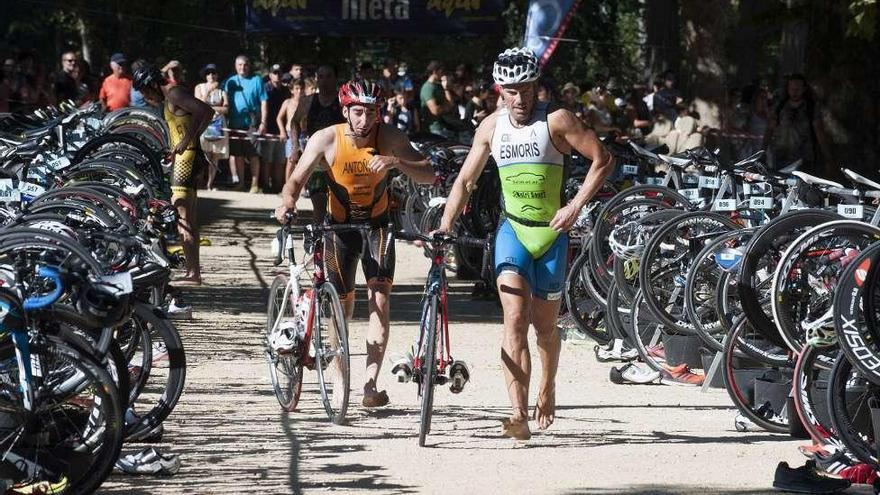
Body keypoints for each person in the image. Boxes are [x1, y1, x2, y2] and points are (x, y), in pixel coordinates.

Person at [437, 47, 614, 440]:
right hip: (513, 231)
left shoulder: (557, 121)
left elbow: (603, 159)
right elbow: (466, 181)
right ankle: (517, 413)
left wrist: (573, 207)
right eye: (511, 91)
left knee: (545, 328)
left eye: (527, 89)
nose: (520, 99)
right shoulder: (490, 127)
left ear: (538, 87)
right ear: (499, 90)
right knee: (514, 319)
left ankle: (546, 389)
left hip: (551, 235)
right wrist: (445, 225)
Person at [274, 80, 435, 407]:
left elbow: (429, 175)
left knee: (380, 301)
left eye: (371, 112)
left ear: (380, 113)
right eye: (358, 112)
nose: (364, 120)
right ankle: (339, 377)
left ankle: (370, 386)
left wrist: (396, 163)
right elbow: (296, 179)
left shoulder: (390, 138)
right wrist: (286, 201)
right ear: (345, 111)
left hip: (377, 227)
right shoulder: (326, 139)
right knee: (340, 308)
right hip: (338, 228)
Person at [134, 65, 212, 285]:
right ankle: (193, 271)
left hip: (187, 159)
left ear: (151, 84)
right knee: (188, 218)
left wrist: (189, 139)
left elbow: (206, 111)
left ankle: (192, 273)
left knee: (183, 218)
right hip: (185, 156)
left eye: (144, 91)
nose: (145, 97)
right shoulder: (170, 97)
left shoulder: (174, 93)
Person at [288, 65, 344, 223]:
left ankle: (337, 241)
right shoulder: (308, 101)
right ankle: (318, 243)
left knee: (340, 206)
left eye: (328, 76)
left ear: (335, 79)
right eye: (320, 77)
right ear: (316, 79)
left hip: (339, 159)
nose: (324, 81)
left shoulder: (342, 101)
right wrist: (295, 147)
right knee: (319, 205)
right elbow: (294, 122)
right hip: (316, 159)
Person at [764, 73, 833, 177]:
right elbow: (769, 129)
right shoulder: (779, 107)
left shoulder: (811, 107)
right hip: (781, 157)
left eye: (798, 89)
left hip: (804, 160)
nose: (794, 92)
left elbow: (819, 133)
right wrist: (762, 152)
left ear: (804, 89)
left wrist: (828, 157)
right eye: (792, 88)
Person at [223, 55, 268, 192]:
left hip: (252, 122)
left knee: (254, 153)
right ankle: (241, 183)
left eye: (245, 64)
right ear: (236, 66)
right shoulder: (229, 81)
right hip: (234, 122)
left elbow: (264, 102)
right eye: (240, 65)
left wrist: (263, 123)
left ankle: (254, 184)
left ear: (249, 66)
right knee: (238, 154)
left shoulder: (257, 80)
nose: (243, 67)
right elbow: (223, 99)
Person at [195, 63, 229, 191]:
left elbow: (226, 109)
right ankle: (199, 181)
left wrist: (210, 108)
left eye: (213, 73)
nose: (211, 75)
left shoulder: (222, 91)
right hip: (204, 123)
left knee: (215, 155)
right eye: (208, 73)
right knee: (203, 153)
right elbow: (198, 104)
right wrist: (209, 91)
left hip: (218, 124)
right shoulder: (199, 87)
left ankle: (210, 183)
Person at [260, 64, 289, 193]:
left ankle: (278, 186)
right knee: (267, 159)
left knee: (280, 160)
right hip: (269, 129)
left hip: (282, 131)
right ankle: (266, 185)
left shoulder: (286, 91)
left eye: (279, 73)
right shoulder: (265, 89)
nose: (277, 75)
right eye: (274, 73)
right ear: (270, 75)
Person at [420, 60, 463, 138]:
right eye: (441, 71)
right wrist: (446, 107)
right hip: (435, 128)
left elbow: (451, 104)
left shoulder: (439, 86)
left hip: (447, 126)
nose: (443, 74)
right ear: (434, 71)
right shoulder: (428, 88)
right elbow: (435, 111)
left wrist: (446, 89)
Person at [276, 75, 305, 181]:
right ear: (292, 90)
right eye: (297, 88)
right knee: (291, 159)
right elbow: (279, 118)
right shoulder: (287, 102)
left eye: (301, 88)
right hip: (290, 134)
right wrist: (282, 131)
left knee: (303, 161)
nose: (299, 91)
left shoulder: (306, 103)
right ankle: (287, 185)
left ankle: (301, 187)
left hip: (302, 134)